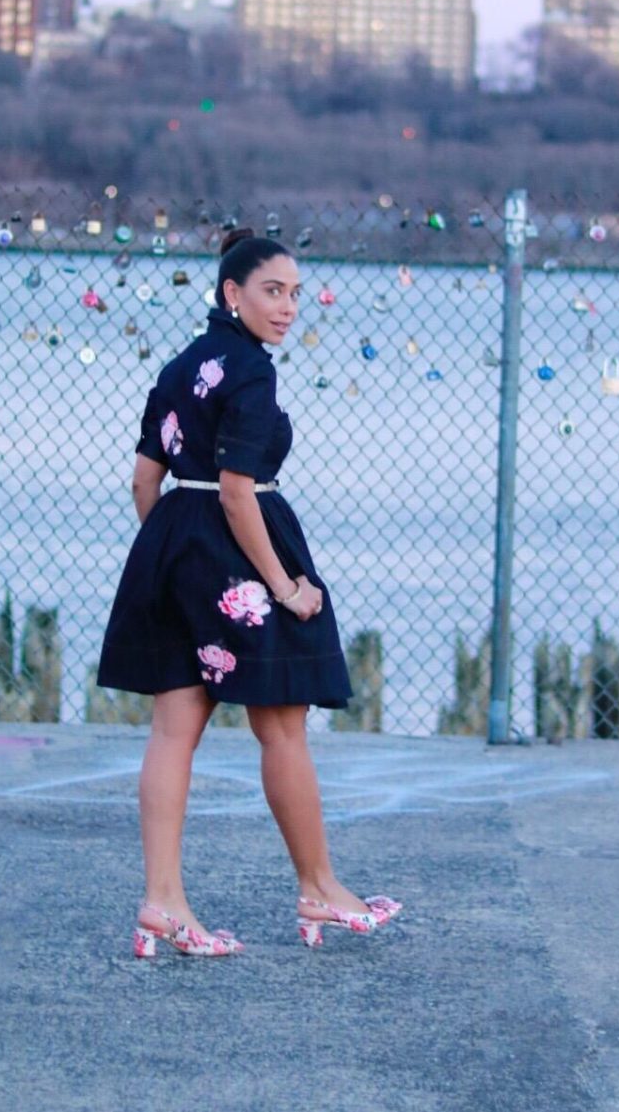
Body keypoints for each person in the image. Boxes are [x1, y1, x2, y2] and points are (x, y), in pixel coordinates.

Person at [95, 228, 402, 957]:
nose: (289, 306)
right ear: (232, 294)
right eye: (273, 291)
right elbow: (237, 492)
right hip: (242, 551)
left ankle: (161, 901)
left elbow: (145, 479)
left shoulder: (178, 366)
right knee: (282, 726)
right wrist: (286, 584)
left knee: (174, 731)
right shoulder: (251, 372)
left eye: (296, 293)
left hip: (170, 545)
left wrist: (180, 554)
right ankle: (319, 886)